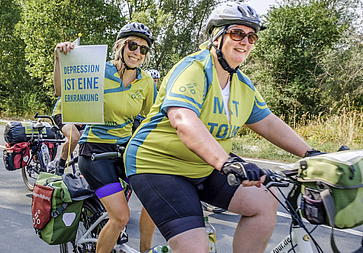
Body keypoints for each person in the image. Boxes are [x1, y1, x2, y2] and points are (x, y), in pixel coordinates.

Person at [124, 2, 317, 252]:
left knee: (265, 201)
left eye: (252, 36)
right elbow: (183, 119)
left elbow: (268, 123)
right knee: (196, 248)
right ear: (217, 36)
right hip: (158, 166)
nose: (245, 42)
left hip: (203, 166)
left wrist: (311, 154)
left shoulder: (243, 85)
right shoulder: (194, 69)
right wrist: (225, 162)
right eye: (237, 33)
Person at [54, 22, 157, 253]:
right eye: (133, 45)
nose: (137, 53)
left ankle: (145, 250)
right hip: (96, 153)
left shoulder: (146, 81)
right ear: (120, 45)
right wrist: (60, 59)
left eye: (143, 49)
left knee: (155, 198)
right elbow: (62, 92)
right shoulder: (99, 70)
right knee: (120, 217)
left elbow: (154, 118)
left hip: (125, 150)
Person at [50, 97, 85, 175]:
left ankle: (83, 167)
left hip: (81, 114)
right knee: (74, 138)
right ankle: (61, 164)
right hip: (62, 113)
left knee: (88, 139)